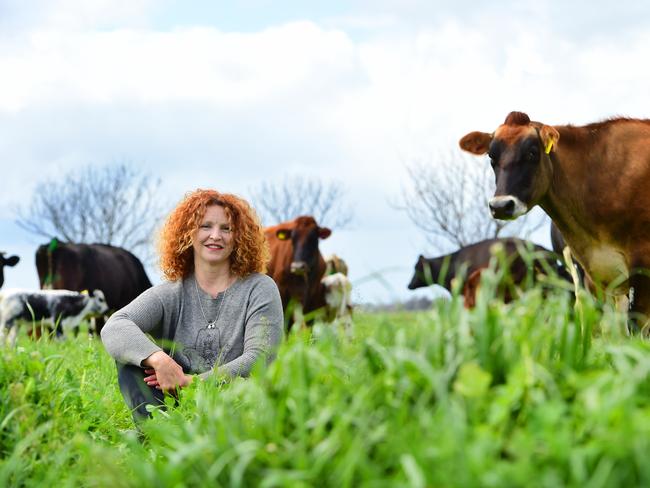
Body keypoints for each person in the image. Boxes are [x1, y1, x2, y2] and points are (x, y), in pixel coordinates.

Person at [101, 189, 284, 422]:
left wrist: (195, 382)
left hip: (238, 404)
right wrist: (158, 359)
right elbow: (115, 326)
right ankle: (156, 434)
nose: (215, 235)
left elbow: (261, 357)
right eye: (206, 226)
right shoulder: (170, 292)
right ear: (188, 233)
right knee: (133, 358)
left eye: (226, 228)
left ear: (239, 237)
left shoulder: (259, 288)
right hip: (177, 403)